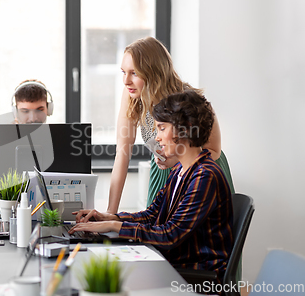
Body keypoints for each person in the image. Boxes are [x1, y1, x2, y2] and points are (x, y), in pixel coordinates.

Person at [70, 91, 233, 287]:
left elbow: (170, 234)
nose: (158, 138)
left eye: (162, 128)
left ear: (185, 129)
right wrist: (111, 218)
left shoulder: (205, 176)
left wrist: (115, 227)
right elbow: (152, 215)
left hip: (197, 276)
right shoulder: (180, 170)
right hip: (176, 265)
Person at [107, 37, 233, 213]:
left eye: (134, 73)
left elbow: (214, 150)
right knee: (154, 231)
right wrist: (109, 214)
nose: (126, 81)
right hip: (162, 171)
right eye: (123, 72)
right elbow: (122, 153)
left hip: (200, 171)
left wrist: (176, 160)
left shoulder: (190, 100)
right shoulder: (132, 95)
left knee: (183, 235)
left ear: (153, 72)